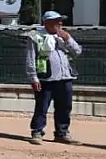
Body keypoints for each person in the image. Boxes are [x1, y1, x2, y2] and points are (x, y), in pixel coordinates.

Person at [24, 11, 82, 145]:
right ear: (47, 23)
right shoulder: (35, 36)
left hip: (65, 77)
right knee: (42, 107)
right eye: (57, 21)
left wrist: (68, 39)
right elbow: (30, 58)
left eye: (61, 21)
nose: (60, 23)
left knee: (65, 107)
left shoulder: (64, 36)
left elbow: (77, 52)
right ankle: (37, 132)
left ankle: (62, 133)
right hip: (46, 78)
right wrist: (33, 78)